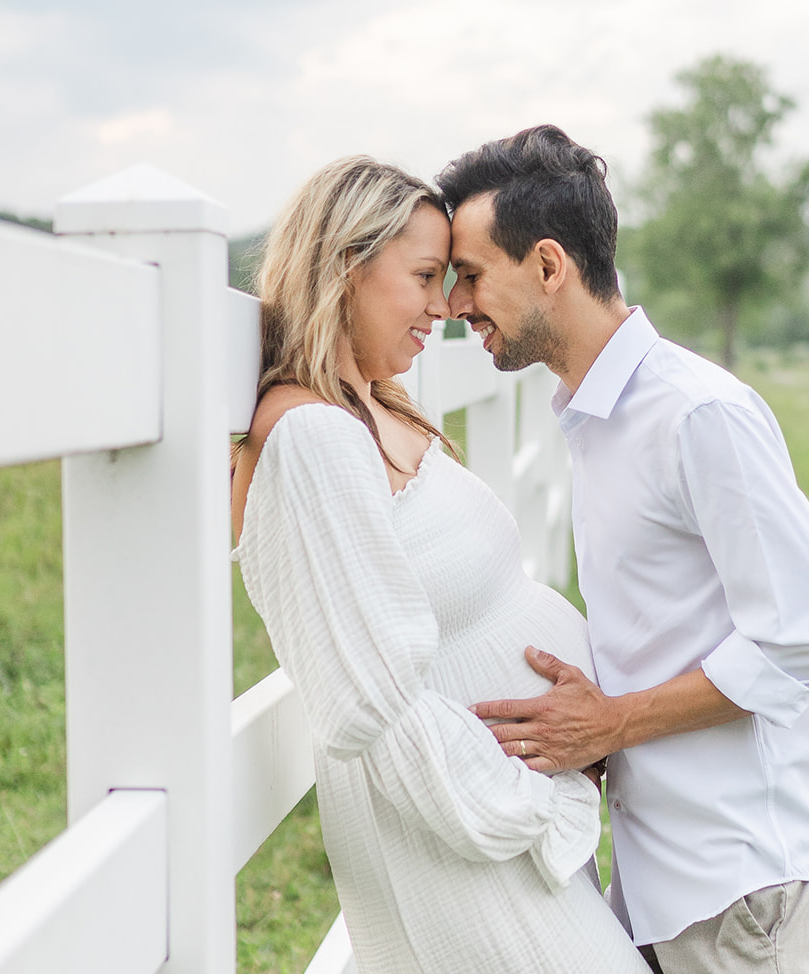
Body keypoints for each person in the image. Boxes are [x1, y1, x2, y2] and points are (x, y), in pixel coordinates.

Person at [437, 125, 809, 974]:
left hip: (740, 889)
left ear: (549, 266)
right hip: (662, 878)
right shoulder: (593, 419)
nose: (454, 305)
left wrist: (613, 722)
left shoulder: (697, 413)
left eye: (473, 275)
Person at [228, 155, 648, 974]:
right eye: (424, 276)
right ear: (345, 267)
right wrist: (529, 800)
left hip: (485, 827)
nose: (443, 307)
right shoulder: (314, 439)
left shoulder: (375, 405)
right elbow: (369, 704)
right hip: (456, 829)